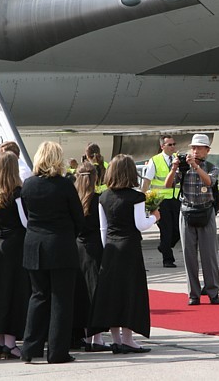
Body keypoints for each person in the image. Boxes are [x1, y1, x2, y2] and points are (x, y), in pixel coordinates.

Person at [21, 141, 84, 364]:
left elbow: (28, 215)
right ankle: (57, 352)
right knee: (61, 300)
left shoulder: (27, 185)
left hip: (34, 246)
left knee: (38, 297)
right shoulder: (65, 185)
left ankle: (29, 349)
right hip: (60, 245)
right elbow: (78, 218)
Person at [90, 154, 159, 354]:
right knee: (130, 293)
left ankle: (116, 339)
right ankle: (128, 339)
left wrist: (106, 251)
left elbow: (103, 228)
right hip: (129, 248)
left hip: (111, 248)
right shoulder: (136, 196)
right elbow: (140, 224)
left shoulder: (103, 197)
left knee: (113, 294)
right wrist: (154, 217)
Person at [0, 152, 30, 360]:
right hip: (17, 246)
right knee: (14, 294)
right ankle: (11, 343)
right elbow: (25, 222)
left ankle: (0, 342)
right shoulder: (17, 193)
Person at [165, 134, 219, 306]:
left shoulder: (212, 167)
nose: (195, 151)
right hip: (187, 212)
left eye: (199, 148)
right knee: (189, 255)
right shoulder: (183, 168)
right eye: (193, 148)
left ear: (207, 151)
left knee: (209, 255)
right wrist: (174, 168)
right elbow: (168, 185)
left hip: (205, 212)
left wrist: (195, 166)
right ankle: (193, 294)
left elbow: (209, 181)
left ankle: (213, 292)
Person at [72, 162, 110, 352]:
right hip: (94, 247)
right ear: (95, 178)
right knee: (95, 292)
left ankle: (85, 335)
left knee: (81, 292)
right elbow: (104, 228)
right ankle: (97, 337)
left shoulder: (73, 200)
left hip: (77, 247)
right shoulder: (98, 199)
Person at [141, 135, 180, 268]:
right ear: (162, 146)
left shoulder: (178, 159)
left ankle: (164, 247)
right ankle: (168, 259)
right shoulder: (155, 160)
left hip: (175, 199)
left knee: (178, 230)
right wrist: (142, 198)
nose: (173, 147)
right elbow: (147, 180)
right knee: (166, 230)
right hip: (161, 201)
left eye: (174, 144)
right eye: (170, 144)